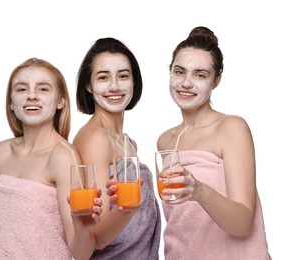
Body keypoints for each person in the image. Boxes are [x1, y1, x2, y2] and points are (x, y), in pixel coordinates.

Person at [0, 58, 103, 260]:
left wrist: (82, 230)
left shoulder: (63, 156)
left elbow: (81, 254)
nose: (31, 96)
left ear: (60, 102)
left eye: (43, 89)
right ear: (11, 103)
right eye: (22, 89)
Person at [156, 26, 271, 259]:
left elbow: (242, 223)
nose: (186, 83)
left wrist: (199, 191)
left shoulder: (231, 128)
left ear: (216, 80)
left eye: (200, 74)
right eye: (179, 72)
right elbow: (179, 222)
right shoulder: (165, 141)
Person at [73, 37, 161, 259]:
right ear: (88, 85)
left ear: (134, 82)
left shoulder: (125, 141)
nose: (114, 86)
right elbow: (94, 236)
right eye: (103, 77)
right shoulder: (96, 139)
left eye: (123, 76)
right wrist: (125, 210)